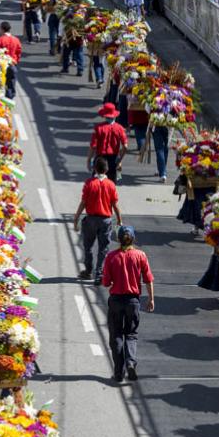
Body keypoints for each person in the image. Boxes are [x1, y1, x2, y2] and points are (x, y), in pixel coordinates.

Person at [101, 226, 155, 382]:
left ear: (118, 239)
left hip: (116, 300)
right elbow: (148, 279)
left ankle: (119, 373)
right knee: (131, 334)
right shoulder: (140, 255)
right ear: (133, 238)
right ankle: (130, 362)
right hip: (133, 301)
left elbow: (106, 282)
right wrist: (151, 299)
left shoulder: (111, 257)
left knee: (116, 335)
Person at [73, 157, 122, 284]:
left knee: (88, 246)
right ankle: (99, 273)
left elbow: (83, 203)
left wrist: (76, 217)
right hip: (105, 220)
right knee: (103, 248)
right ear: (106, 169)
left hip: (90, 219)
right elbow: (115, 205)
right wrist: (119, 220)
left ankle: (88, 270)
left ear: (94, 168)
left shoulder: (89, 183)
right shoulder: (111, 185)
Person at [87, 103, 128, 183]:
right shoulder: (120, 128)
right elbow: (125, 146)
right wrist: (120, 159)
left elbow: (93, 146)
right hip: (113, 159)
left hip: (100, 158)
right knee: (111, 183)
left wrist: (89, 160)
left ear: (105, 116)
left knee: (96, 182)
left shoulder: (98, 128)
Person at [0, 22, 22, 99]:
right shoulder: (16, 40)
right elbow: (18, 52)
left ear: (2, 29)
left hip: (2, 65)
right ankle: (9, 98)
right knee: (11, 82)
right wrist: (15, 61)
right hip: (12, 64)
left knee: (0, 82)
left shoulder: (0, 40)